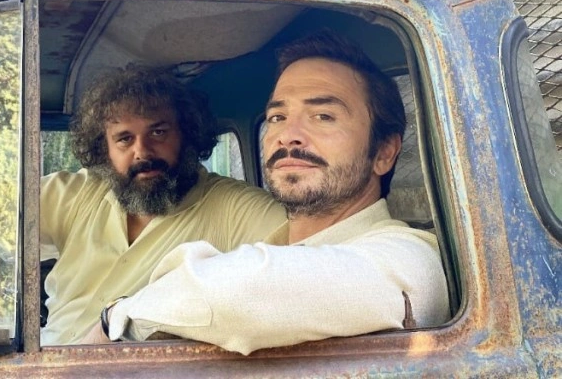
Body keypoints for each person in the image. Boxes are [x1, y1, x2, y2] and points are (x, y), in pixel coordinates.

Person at [97, 32, 450, 355]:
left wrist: (116, 317)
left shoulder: (411, 259)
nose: (287, 135)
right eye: (277, 117)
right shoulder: (270, 249)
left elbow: (237, 292)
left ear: (384, 152)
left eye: (323, 116)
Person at [39, 67, 286, 345]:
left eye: (158, 132)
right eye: (124, 139)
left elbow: (311, 257)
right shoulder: (78, 194)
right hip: (37, 360)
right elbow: (0, 215)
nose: (142, 152)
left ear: (186, 134)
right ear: (104, 149)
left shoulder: (234, 208)